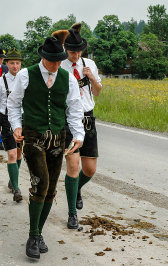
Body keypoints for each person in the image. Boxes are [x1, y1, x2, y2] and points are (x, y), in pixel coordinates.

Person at [7, 36, 84, 259]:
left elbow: (74, 108)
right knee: (40, 183)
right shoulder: (25, 75)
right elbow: (13, 104)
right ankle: (33, 236)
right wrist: (16, 126)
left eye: (60, 61)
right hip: (33, 136)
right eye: (53, 62)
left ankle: (38, 233)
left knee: (51, 189)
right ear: (43, 57)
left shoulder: (67, 78)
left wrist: (78, 135)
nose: (57, 65)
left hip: (58, 138)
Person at [60, 24, 103, 229]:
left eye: (78, 51)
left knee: (90, 169)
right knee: (73, 167)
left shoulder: (90, 64)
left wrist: (92, 77)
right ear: (66, 50)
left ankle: (77, 189)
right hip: (69, 120)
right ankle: (71, 213)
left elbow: (98, 91)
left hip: (88, 118)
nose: (75, 55)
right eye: (71, 51)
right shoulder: (60, 66)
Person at [0, 48, 23, 202]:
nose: (15, 66)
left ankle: (12, 179)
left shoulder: (25, 80)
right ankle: (16, 188)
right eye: (12, 63)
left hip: (22, 120)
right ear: (6, 64)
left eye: (18, 63)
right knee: (12, 154)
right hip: (6, 119)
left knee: (20, 154)